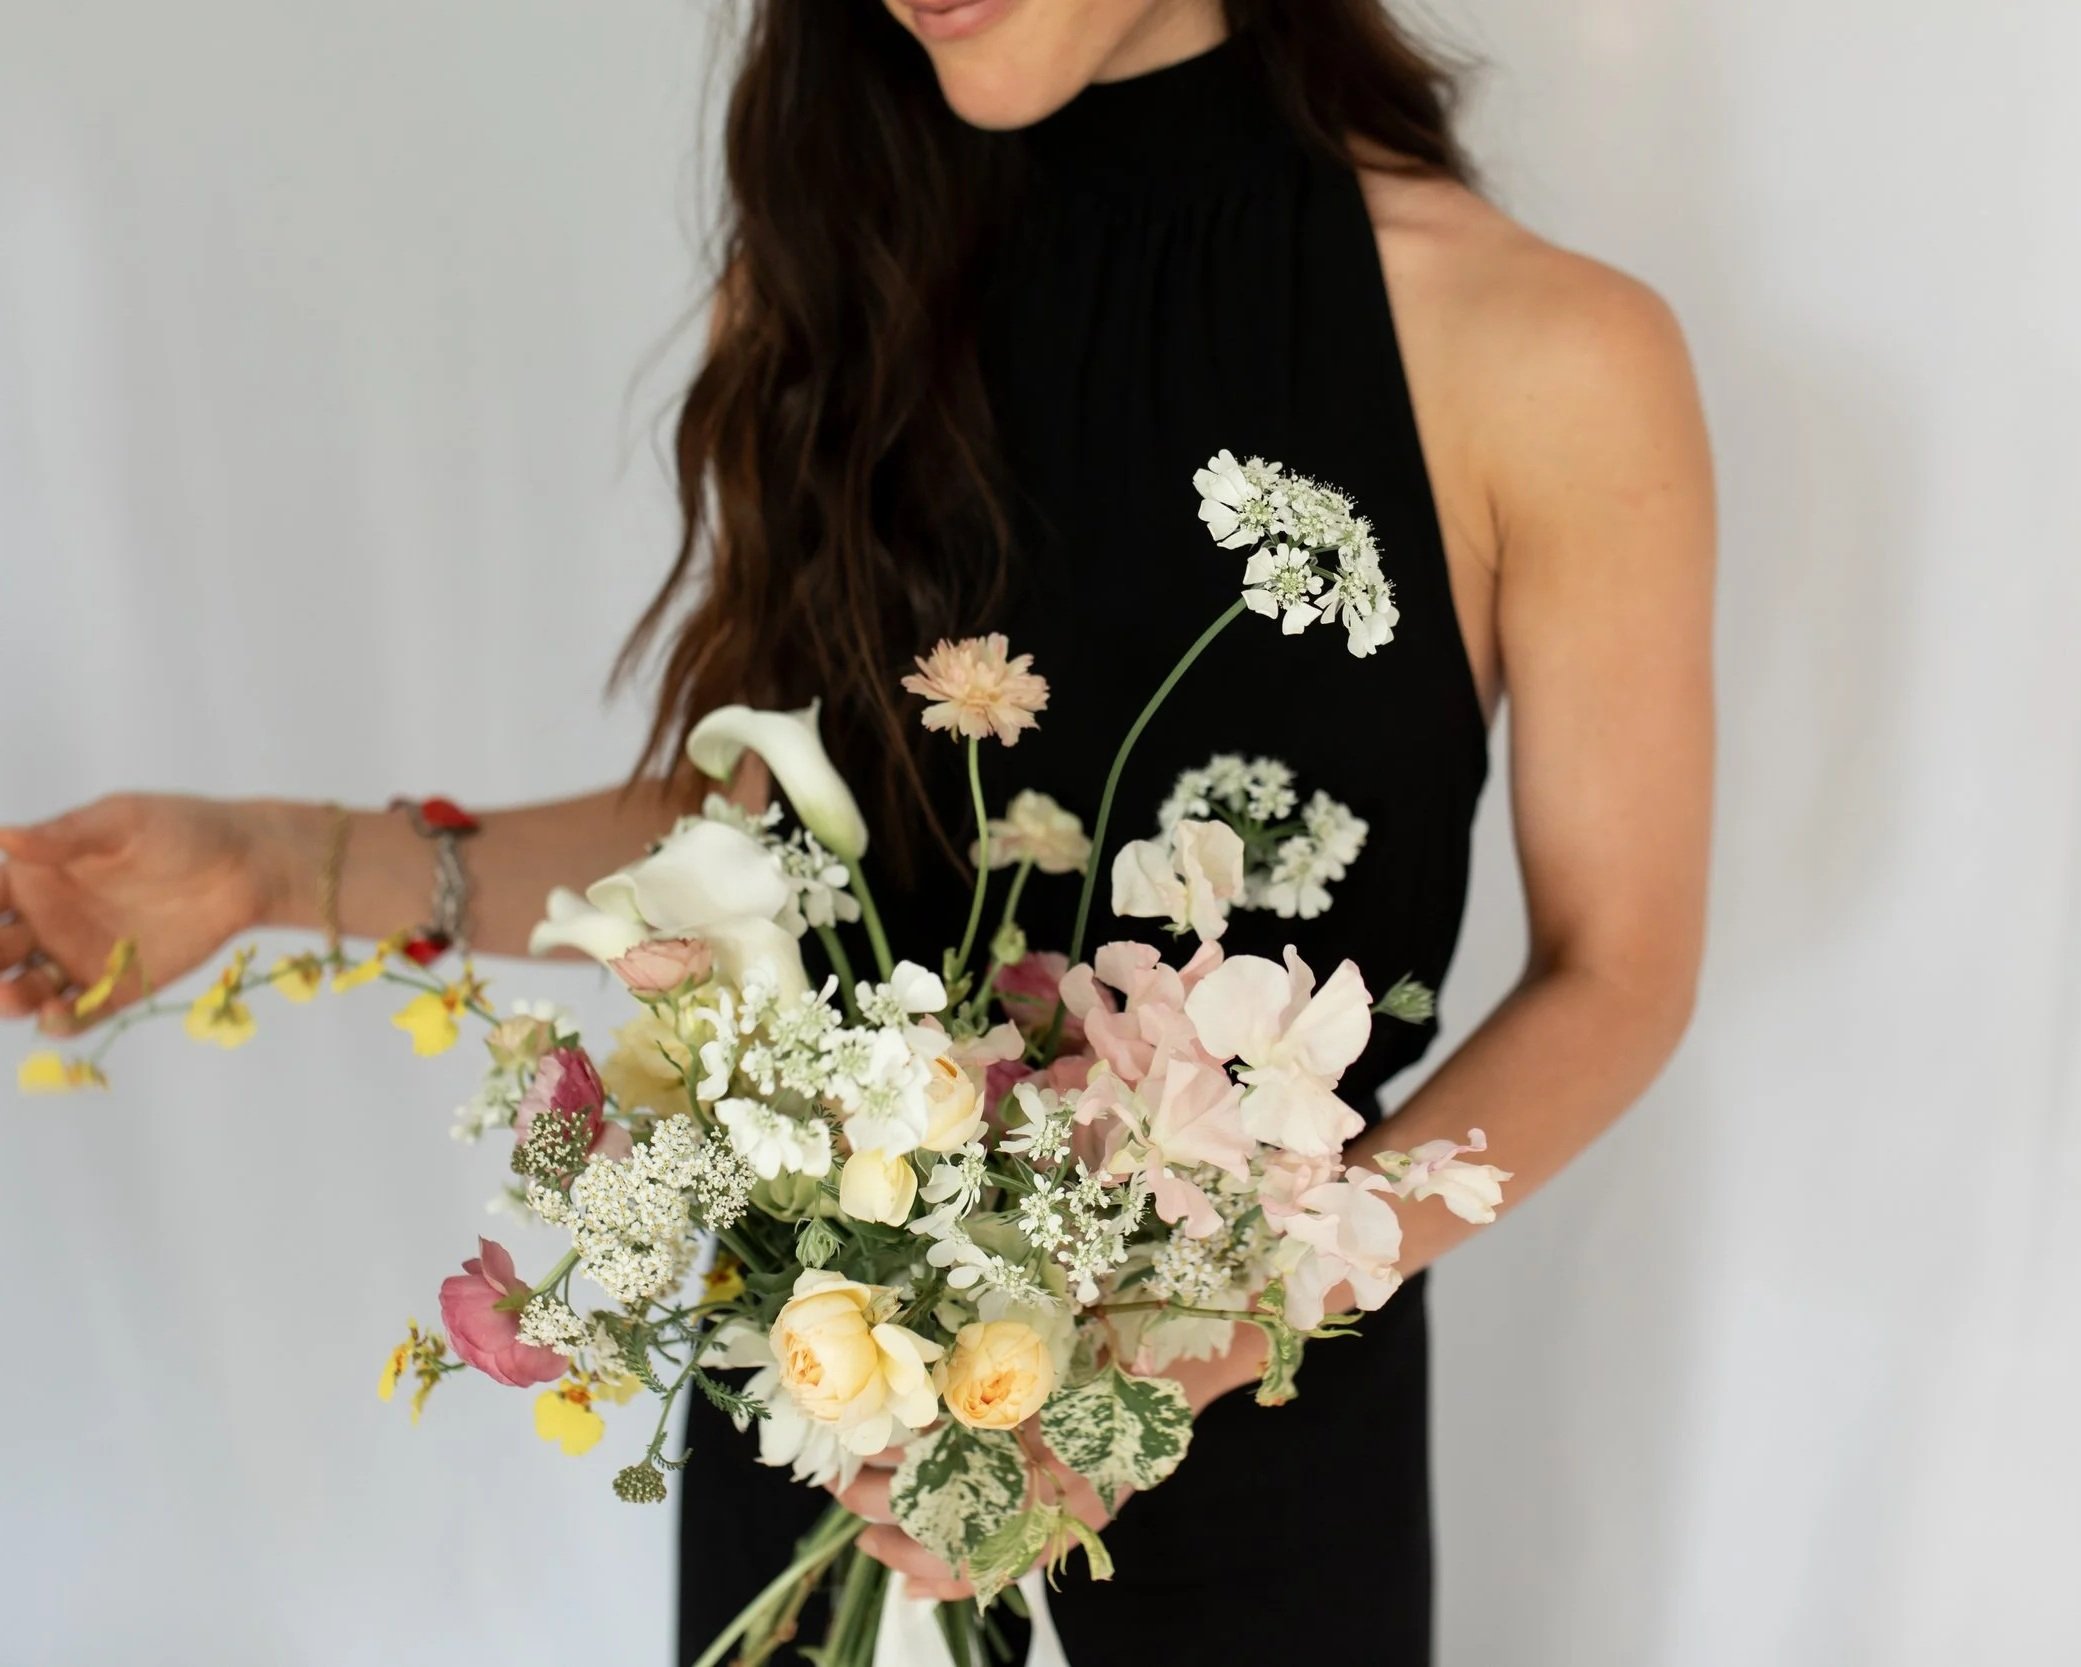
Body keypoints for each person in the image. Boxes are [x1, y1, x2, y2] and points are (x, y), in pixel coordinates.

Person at [0, 0, 1713, 1661]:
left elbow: (1615, 972)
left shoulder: (1544, 351)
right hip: (826, 1419)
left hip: (1245, 1464)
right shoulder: (841, 269)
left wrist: (1177, 1347)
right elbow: (762, 843)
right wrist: (271, 865)